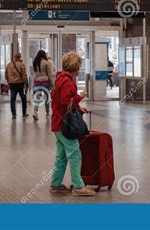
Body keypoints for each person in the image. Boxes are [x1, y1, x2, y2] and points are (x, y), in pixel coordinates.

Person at [50, 51, 95, 196]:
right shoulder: (68, 81)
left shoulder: (60, 78)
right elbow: (66, 101)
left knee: (61, 156)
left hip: (57, 123)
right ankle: (78, 186)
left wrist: (78, 107)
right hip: (65, 125)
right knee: (75, 153)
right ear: (76, 68)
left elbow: (62, 101)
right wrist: (79, 97)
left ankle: (55, 184)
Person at [32, 50, 54, 121]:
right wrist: (52, 84)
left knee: (37, 98)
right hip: (45, 82)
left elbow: (35, 73)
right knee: (46, 98)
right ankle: (47, 114)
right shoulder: (46, 62)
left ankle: (35, 112)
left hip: (37, 81)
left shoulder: (35, 62)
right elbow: (50, 74)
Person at [5, 52, 28, 120]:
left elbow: (6, 75)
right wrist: (26, 83)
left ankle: (13, 114)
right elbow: (24, 75)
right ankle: (24, 113)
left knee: (12, 99)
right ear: (20, 57)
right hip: (20, 84)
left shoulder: (9, 65)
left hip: (12, 84)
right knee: (23, 98)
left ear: (14, 57)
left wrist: (9, 81)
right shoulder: (22, 65)